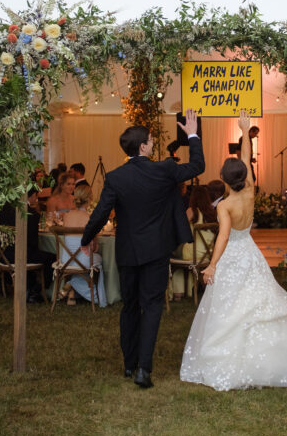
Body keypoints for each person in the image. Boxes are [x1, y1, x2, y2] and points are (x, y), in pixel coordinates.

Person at [181, 110, 287, 391]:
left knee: (229, 307)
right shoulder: (251, 188)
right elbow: (245, 158)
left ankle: (232, 359)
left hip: (234, 254)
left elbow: (224, 237)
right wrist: (244, 132)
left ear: (225, 180)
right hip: (251, 253)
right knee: (256, 300)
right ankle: (267, 360)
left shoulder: (225, 206)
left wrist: (213, 264)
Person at [80, 108, 204, 388]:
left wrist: (87, 238)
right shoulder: (164, 169)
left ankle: (129, 364)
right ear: (144, 146)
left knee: (130, 307)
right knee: (152, 306)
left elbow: (100, 213)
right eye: (150, 139)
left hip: (127, 251)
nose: (153, 142)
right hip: (156, 251)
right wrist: (193, 135)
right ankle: (143, 370)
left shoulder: (115, 177)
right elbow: (197, 166)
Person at [57, 186, 107, 307]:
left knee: (83, 260)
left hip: (66, 260)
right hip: (84, 261)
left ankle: (72, 286)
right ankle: (98, 298)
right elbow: (94, 247)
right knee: (99, 260)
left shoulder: (67, 216)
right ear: (90, 199)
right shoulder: (89, 218)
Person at [171, 184, 217, 299]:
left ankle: (177, 292)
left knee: (169, 252)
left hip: (192, 253)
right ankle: (187, 290)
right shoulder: (213, 214)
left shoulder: (191, 211)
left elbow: (179, 229)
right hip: (208, 254)